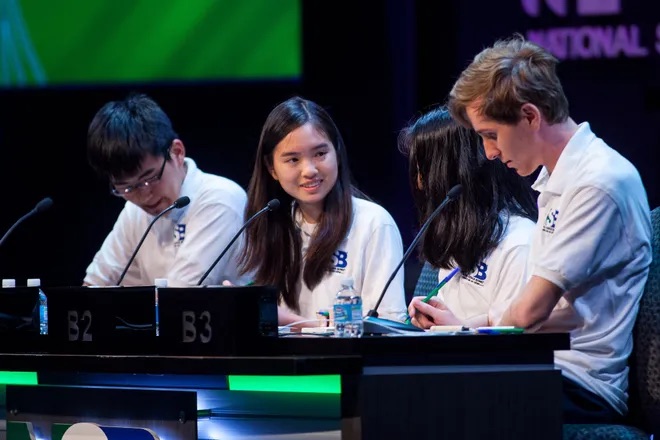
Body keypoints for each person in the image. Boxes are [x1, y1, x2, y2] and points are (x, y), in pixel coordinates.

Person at [447, 34, 652, 423]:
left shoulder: (597, 181)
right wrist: (465, 328)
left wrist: (469, 336)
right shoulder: (559, 179)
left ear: (529, 116)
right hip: (545, 366)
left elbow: (531, 312)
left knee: (432, 400)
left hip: (581, 384)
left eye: (491, 135)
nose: (489, 152)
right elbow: (557, 312)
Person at [239, 96, 407, 326]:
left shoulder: (373, 223)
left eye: (320, 154)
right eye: (293, 159)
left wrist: (295, 323)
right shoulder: (271, 223)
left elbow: (387, 326)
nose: (309, 170)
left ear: (337, 153)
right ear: (272, 169)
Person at [84, 93, 248, 287]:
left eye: (150, 178)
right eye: (127, 187)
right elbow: (94, 284)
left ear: (177, 152)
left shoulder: (219, 199)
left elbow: (179, 296)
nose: (144, 196)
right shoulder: (133, 211)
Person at [401, 107, 538, 329]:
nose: (419, 183)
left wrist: (459, 329)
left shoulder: (519, 242)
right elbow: (457, 324)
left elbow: (513, 340)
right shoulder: (458, 235)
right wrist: (433, 319)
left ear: (449, 172)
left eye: (423, 170)